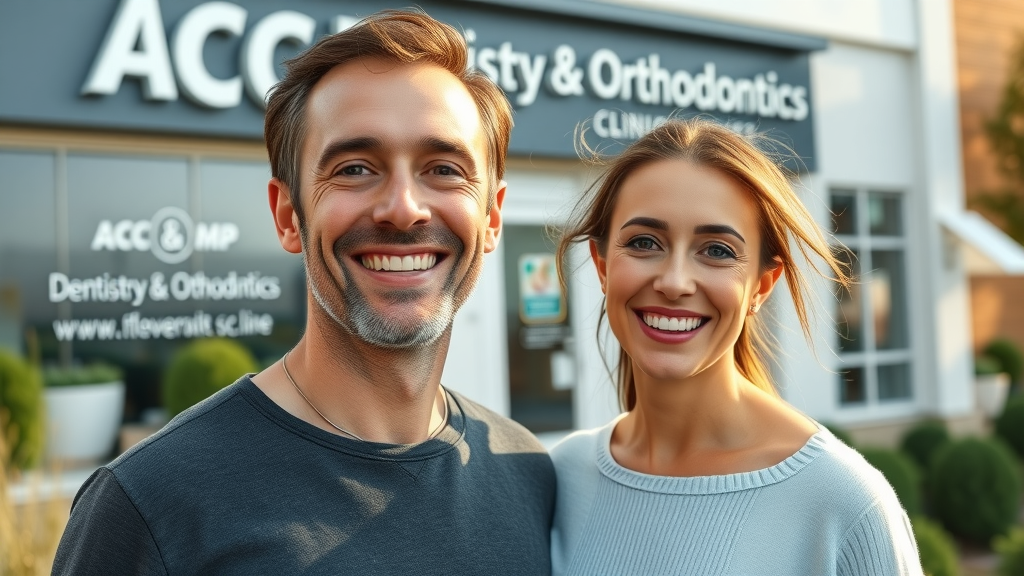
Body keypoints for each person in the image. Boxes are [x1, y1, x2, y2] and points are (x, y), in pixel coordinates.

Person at [52, 10, 554, 575]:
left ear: (491, 217)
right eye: (356, 168)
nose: (404, 208)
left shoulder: (527, 473)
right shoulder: (150, 507)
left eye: (444, 169)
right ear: (288, 215)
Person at [550, 118, 923, 576]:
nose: (674, 282)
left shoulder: (843, 503)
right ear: (603, 266)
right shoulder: (565, 474)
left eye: (717, 250)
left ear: (762, 286)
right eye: (644, 242)